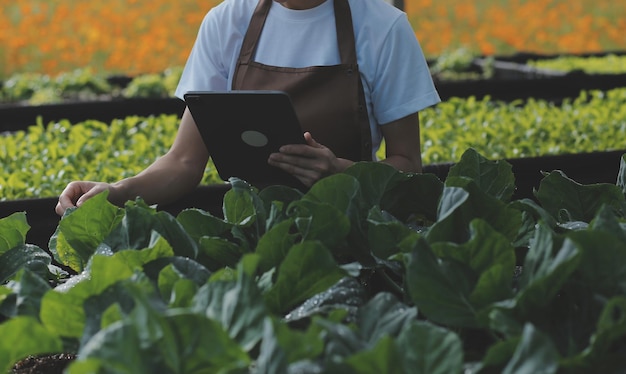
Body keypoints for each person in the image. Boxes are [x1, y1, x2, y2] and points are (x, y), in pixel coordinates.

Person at [55, 0, 440, 216]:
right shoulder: (227, 22)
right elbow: (184, 162)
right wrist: (116, 191)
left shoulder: (384, 27)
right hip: (250, 231)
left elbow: (409, 167)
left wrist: (343, 173)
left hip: (352, 232)